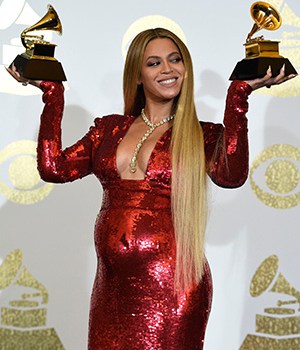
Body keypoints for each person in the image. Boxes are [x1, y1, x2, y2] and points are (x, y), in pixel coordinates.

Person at [7, 28, 295, 350]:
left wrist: (238, 97)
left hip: (173, 288)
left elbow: (232, 176)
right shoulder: (108, 129)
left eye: (175, 60)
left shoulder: (202, 135)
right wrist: (52, 95)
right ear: (138, 76)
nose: (168, 70)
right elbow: (54, 168)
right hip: (111, 289)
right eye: (154, 63)